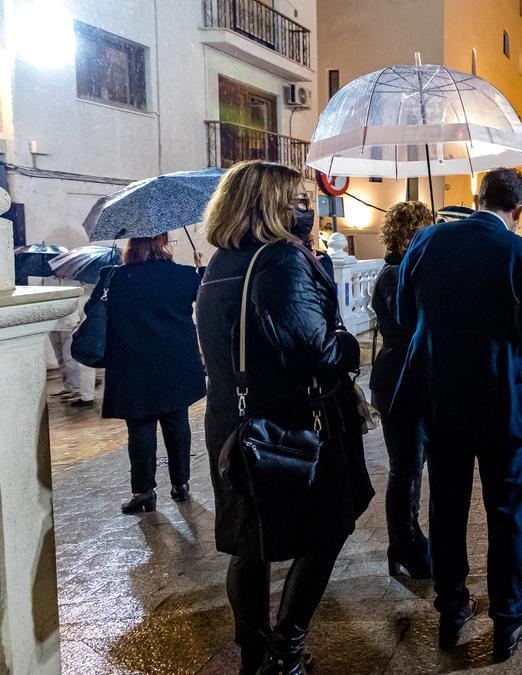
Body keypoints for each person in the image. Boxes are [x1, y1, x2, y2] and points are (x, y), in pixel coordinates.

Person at [196, 160, 373, 674]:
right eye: (299, 201)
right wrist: (348, 344)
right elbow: (315, 351)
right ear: (269, 206)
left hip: (235, 422)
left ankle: (255, 655)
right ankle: (286, 650)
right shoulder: (280, 261)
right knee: (327, 529)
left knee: (251, 542)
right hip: (290, 426)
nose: (309, 209)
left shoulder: (223, 261)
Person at [394, 168, 522, 662]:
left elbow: (403, 316)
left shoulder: (425, 242)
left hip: (441, 401)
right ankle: (507, 618)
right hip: (503, 402)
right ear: (519, 211)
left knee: (447, 508)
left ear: (476, 198)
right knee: (505, 512)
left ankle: (452, 608)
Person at [87, 234, 206, 514]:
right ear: (161, 245)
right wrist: (200, 270)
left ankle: (143, 492)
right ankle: (181, 484)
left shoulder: (113, 277)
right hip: (175, 363)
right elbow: (204, 298)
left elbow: (92, 309)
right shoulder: (184, 275)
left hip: (132, 364)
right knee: (177, 423)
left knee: (140, 428)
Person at [370, 200, 435, 580]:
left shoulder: (407, 270)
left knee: (414, 463)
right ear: (409, 234)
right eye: (423, 231)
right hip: (398, 379)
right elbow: (408, 322)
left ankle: (408, 537)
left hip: (409, 376)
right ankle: (405, 542)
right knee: (406, 467)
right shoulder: (395, 274)